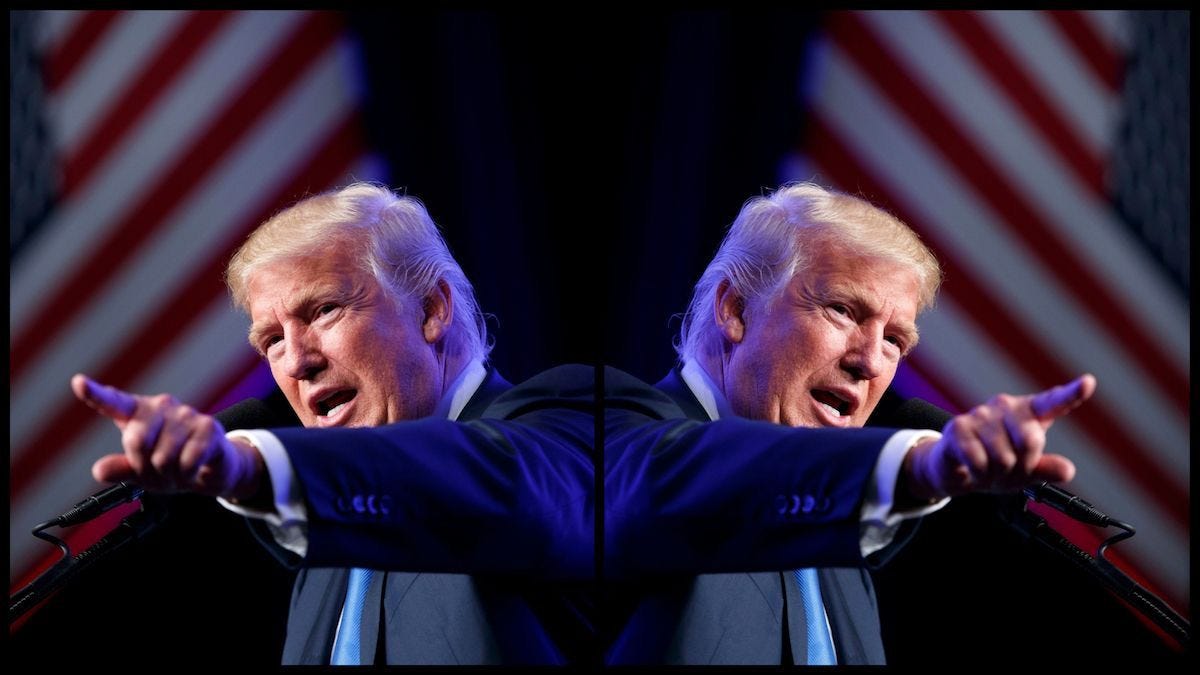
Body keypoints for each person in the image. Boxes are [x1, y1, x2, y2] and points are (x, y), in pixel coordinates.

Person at [71, 183, 594, 664]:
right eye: (272, 340)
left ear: (431, 308)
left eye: (324, 310)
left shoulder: (547, 442)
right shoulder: (322, 564)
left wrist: (248, 470)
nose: (296, 361)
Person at [603, 182, 1096, 664]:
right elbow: (711, 482)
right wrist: (920, 469)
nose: (872, 362)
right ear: (736, 308)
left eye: (895, 341)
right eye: (842, 310)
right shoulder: (619, 446)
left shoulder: (845, 562)